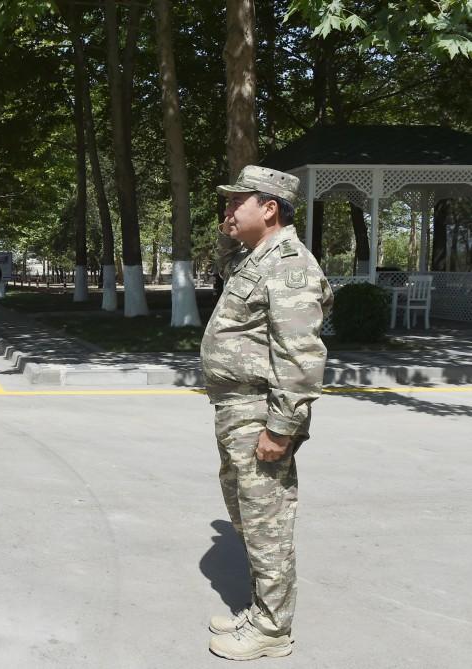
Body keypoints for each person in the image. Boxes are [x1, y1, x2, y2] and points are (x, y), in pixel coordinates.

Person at [201, 165, 334, 660]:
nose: (228, 210)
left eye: (238, 201)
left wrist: (281, 428)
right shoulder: (257, 258)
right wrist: (229, 228)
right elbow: (222, 264)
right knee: (246, 515)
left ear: (270, 207)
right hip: (237, 409)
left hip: (260, 412)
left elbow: (301, 357)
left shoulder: (289, 264)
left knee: (267, 522)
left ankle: (273, 631)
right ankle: (261, 611)